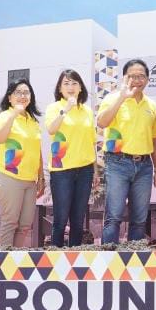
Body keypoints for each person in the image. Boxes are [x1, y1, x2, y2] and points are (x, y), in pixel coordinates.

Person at [96, 59, 156, 244]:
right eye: (132, 76)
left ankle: (135, 264)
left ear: (147, 79)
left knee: (140, 221)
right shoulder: (113, 98)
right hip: (117, 163)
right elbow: (102, 122)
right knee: (114, 217)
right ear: (125, 78)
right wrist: (122, 97)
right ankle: (109, 262)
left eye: (141, 76)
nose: (137, 80)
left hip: (144, 167)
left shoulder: (151, 105)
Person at [45, 69, 97, 247]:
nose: (71, 87)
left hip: (85, 170)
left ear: (81, 88)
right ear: (60, 89)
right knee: (60, 219)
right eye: (66, 83)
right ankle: (55, 260)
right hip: (62, 171)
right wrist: (65, 109)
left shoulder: (87, 111)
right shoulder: (54, 108)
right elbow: (51, 129)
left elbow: (91, 142)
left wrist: (95, 171)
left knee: (78, 219)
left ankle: (75, 260)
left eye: (74, 83)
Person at [0, 79, 44, 248]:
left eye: (26, 92)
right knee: (10, 222)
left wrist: (41, 176)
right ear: (10, 98)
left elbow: (37, 150)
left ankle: (16, 263)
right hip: (8, 176)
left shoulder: (32, 121)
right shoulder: (4, 116)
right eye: (18, 92)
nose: (22, 96)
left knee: (25, 225)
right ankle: (3, 265)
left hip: (30, 180)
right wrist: (13, 115)